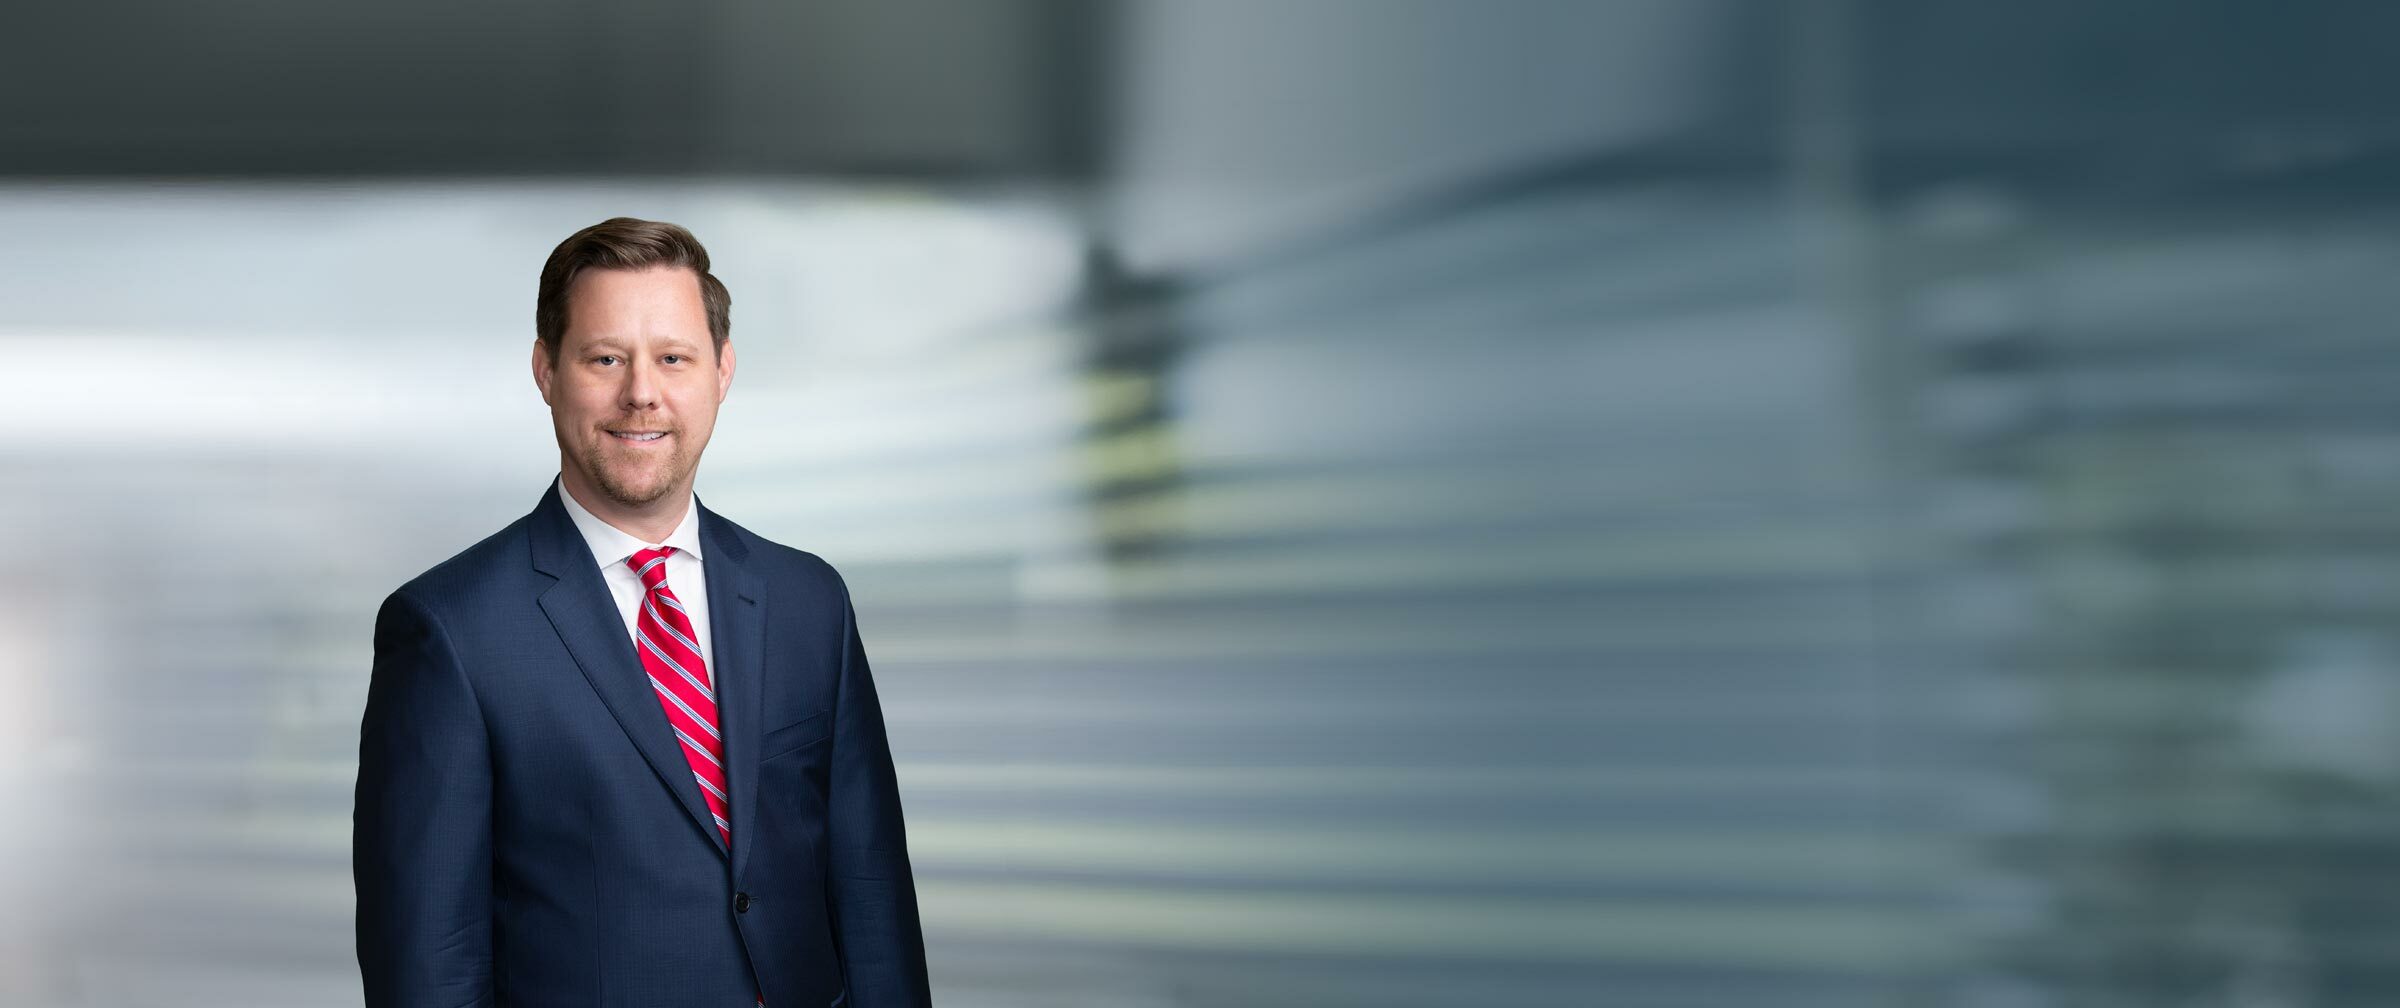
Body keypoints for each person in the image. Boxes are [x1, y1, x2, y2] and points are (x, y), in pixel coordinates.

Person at [354, 217, 930, 1008]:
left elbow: (871, 901)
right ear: (546, 371)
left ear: (722, 371)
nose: (642, 393)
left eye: (673, 358)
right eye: (605, 358)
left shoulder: (809, 602)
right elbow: (429, 965)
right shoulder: (448, 632)